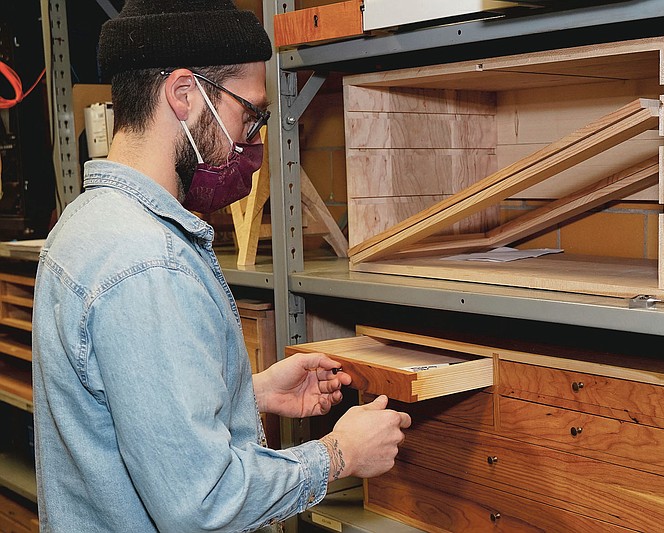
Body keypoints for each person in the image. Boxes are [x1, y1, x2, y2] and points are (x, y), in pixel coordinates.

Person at [31, 1, 411, 531]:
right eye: (249, 113)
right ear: (184, 96)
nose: (252, 140)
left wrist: (245, 393)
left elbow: (127, 412)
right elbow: (202, 505)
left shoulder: (87, 224)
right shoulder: (148, 263)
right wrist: (338, 454)